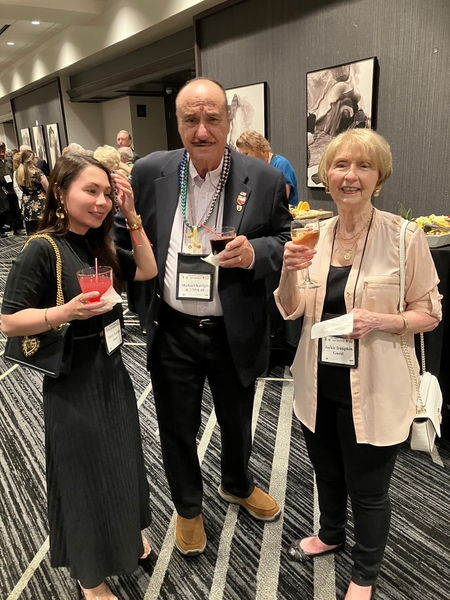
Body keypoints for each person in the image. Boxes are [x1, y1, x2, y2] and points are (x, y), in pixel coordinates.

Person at [119, 77, 292, 556]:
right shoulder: (150, 170)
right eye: (190, 119)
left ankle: (237, 483)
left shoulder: (264, 178)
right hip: (171, 327)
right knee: (177, 424)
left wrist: (254, 251)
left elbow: (285, 239)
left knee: (238, 419)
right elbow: (122, 237)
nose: (201, 130)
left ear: (228, 121)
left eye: (212, 118)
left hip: (232, 328)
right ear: (177, 124)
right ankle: (188, 508)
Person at [275, 129, 442, 600]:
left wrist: (379, 320)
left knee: (368, 488)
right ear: (326, 176)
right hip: (315, 382)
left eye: (363, 166)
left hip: (375, 385)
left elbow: (430, 313)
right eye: (341, 165)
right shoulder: (313, 235)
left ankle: (365, 573)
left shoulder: (404, 237)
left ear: (379, 178)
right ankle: (330, 535)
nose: (351, 176)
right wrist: (288, 270)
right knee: (325, 471)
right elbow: (288, 309)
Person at [1, 155, 157, 600]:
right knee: (85, 479)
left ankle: (127, 536)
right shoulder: (42, 248)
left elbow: (145, 270)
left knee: (123, 463)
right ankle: (91, 580)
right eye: (91, 191)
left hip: (111, 373)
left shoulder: (97, 243)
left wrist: (131, 216)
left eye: (107, 194)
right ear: (60, 193)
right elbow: (9, 321)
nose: (101, 201)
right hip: (73, 381)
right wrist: (64, 312)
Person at [236, 129, 299, 207]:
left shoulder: (281, 164)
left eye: (246, 154)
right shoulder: (254, 168)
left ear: (257, 148)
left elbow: (281, 200)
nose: (244, 159)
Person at [15, 149, 49, 235]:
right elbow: (48, 188)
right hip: (39, 203)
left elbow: (21, 188)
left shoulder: (18, 173)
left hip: (26, 203)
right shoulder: (37, 172)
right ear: (31, 160)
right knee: (42, 230)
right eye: (36, 158)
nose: (37, 160)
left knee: (31, 232)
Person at [0, 141, 24, 236]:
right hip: (1, 189)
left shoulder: (9, 160)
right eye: (0, 148)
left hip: (11, 187)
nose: (2, 150)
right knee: (4, 210)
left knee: (15, 209)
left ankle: (17, 229)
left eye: (3, 148)